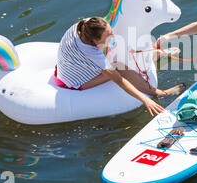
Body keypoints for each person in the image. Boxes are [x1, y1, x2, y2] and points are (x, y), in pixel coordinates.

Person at [55, 17, 185, 116]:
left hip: (72, 62)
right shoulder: (91, 53)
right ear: (94, 40)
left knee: (120, 46)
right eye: (108, 36)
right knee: (118, 66)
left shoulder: (86, 25)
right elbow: (119, 80)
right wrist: (145, 100)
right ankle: (159, 93)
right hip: (76, 81)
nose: (112, 36)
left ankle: (154, 54)